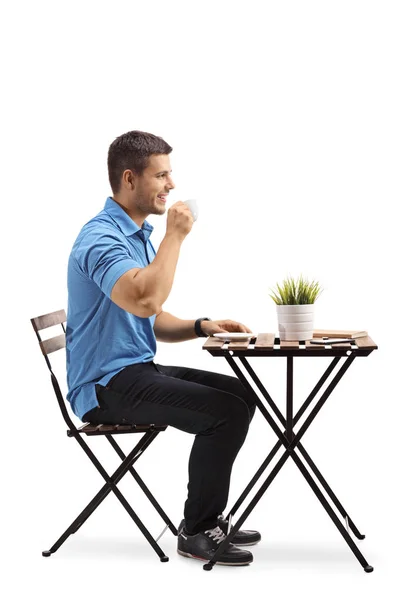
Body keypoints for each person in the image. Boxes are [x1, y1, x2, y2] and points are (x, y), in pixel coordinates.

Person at [66, 130, 261, 567]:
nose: (171, 185)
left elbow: (150, 318)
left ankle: (209, 518)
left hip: (135, 370)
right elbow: (145, 299)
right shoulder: (100, 240)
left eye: (171, 174)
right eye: (162, 175)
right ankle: (197, 530)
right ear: (130, 179)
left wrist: (199, 325)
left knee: (242, 395)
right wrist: (175, 237)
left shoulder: (133, 235)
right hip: (103, 387)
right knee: (223, 412)